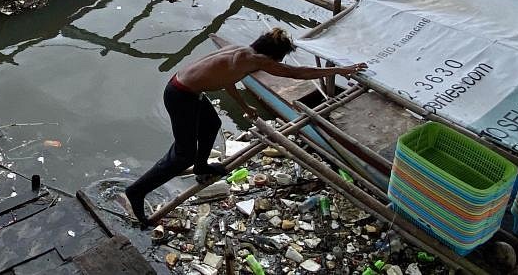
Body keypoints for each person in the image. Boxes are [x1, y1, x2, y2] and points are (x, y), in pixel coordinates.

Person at [125, 28, 367, 226]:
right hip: (181, 95)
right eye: (278, 59)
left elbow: (228, 79)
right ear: (271, 56)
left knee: (212, 124)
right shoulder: (255, 59)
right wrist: (341, 70)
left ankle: (201, 166)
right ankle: (137, 191)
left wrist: (244, 106)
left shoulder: (241, 52)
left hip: (188, 90)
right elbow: (298, 73)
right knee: (182, 155)